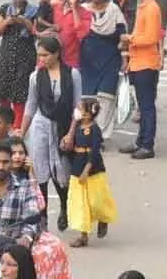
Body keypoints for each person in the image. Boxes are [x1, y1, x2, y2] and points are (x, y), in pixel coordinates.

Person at [22, 36, 81, 232]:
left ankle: (64, 207)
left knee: (61, 172)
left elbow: (77, 107)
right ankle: (43, 219)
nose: (41, 59)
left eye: (45, 55)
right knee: (40, 173)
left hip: (62, 127)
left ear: (56, 54)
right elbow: (30, 106)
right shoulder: (35, 77)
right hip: (40, 126)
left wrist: (71, 134)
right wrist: (21, 134)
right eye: (39, 55)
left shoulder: (72, 75)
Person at [121, 0, 163, 159]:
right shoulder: (145, 6)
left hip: (146, 63)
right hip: (139, 62)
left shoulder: (151, 8)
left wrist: (129, 39)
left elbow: (151, 38)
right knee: (143, 105)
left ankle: (147, 145)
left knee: (146, 106)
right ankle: (141, 141)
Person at [66, 98, 116, 247]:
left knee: (96, 201)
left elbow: (94, 152)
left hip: (93, 170)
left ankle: (103, 218)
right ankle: (83, 235)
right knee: (80, 204)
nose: (77, 111)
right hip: (77, 167)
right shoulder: (77, 127)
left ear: (88, 114)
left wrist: (86, 170)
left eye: (80, 109)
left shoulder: (94, 130)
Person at [0, 0, 39, 129]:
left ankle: (18, 128)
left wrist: (25, 22)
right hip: (6, 55)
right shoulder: (5, 9)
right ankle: (5, 123)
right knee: (3, 92)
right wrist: (8, 21)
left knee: (20, 94)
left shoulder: (34, 11)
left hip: (25, 57)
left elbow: (36, 33)